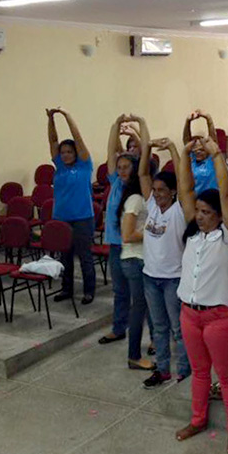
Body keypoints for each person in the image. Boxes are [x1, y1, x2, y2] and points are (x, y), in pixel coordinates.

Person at [175, 136, 228, 454]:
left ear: (220, 214)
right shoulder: (195, 234)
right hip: (190, 314)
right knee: (200, 372)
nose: (199, 215)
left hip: (221, 318)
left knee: (226, 375)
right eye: (198, 211)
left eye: (206, 211)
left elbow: (227, 192)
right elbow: (185, 191)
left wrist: (218, 154)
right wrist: (186, 153)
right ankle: (198, 419)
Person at [139, 137, 192, 388]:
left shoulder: (179, 209)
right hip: (150, 276)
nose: (157, 194)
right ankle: (162, 370)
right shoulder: (151, 206)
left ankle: (184, 371)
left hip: (173, 278)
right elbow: (142, 173)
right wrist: (147, 147)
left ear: (172, 192)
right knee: (158, 328)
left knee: (178, 329)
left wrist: (172, 148)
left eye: (162, 190)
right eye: (155, 190)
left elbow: (184, 183)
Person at [98, 115, 141, 346]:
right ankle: (119, 327)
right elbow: (111, 152)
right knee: (120, 291)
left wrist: (135, 130)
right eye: (120, 167)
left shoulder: (138, 187)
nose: (122, 171)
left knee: (140, 294)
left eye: (127, 167)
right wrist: (115, 126)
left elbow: (142, 150)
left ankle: (151, 335)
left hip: (134, 246)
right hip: (116, 244)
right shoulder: (115, 182)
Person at [47, 107, 96, 305]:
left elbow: (78, 137)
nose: (66, 155)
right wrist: (51, 119)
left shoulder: (84, 164)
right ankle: (67, 288)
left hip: (83, 217)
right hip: (62, 218)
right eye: (63, 152)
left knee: (84, 256)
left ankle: (88, 291)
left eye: (69, 152)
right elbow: (52, 141)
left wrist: (67, 117)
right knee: (64, 257)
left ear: (76, 152)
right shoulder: (59, 166)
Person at [117, 122, 154, 371]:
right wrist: (152, 231)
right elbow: (128, 235)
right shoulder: (134, 200)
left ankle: (154, 342)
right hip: (134, 258)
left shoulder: (142, 199)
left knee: (147, 306)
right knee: (138, 308)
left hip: (141, 258)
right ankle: (133, 355)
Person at [182, 110, 221, 194]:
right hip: (197, 201)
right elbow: (186, 141)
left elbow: (213, 139)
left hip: (213, 199)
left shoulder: (211, 159)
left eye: (201, 149)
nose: (198, 152)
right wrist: (188, 121)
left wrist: (208, 118)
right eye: (195, 150)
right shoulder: (192, 159)